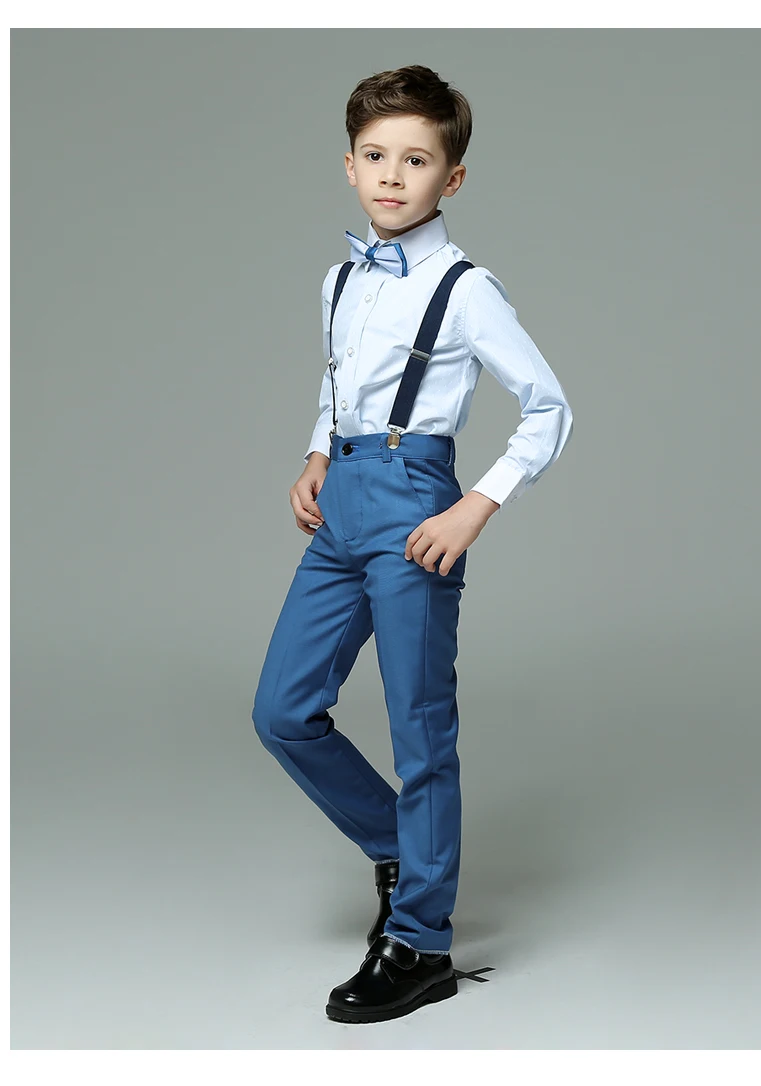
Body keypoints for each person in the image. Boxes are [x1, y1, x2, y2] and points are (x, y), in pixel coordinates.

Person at [251, 64, 574, 1024]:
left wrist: (477, 505)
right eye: (377, 156)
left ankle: (422, 941)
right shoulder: (341, 278)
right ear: (350, 166)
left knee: (419, 726)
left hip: (416, 504)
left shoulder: (465, 290)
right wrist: (318, 453)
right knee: (283, 710)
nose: (394, 175)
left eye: (418, 160)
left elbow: (550, 407)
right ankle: (401, 845)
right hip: (344, 500)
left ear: (452, 177)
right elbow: (340, 381)